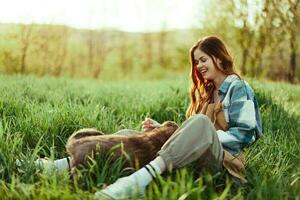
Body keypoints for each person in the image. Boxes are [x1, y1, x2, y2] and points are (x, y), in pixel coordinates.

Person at [25, 35, 262, 199]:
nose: (199, 66)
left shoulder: (238, 88)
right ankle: (63, 165)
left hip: (224, 165)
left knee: (199, 123)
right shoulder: (208, 92)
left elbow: (244, 134)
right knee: (131, 135)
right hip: (198, 156)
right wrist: (165, 131)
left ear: (219, 58)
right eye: (196, 61)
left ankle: (137, 182)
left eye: (204, 59)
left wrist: (192, 134)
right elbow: (195, 135)